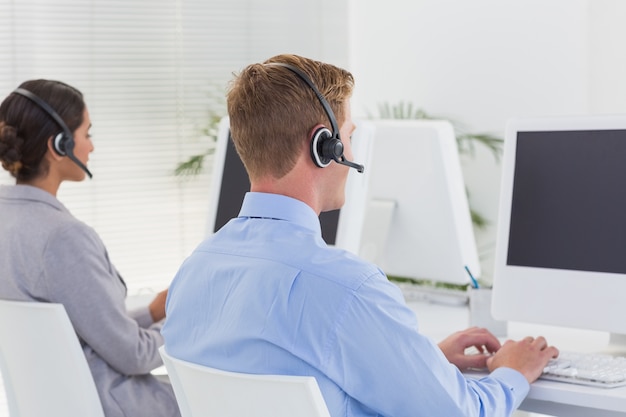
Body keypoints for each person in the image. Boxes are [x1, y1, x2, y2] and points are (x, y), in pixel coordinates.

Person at [161, 54, 559, 417]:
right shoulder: (347, 289)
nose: (351, 151)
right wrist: (513, 373)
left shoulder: (193, 273)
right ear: (324, 146)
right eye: (348, 135)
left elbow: (281, 380)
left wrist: (418, 364)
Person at [0, 79, 180, 417]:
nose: (91, 148)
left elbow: (81, 327)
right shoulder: (63, 238)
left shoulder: (8, 220)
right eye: (87, 134)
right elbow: (134, 356)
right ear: (60, 145)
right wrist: (187, 321)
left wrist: (152, 313)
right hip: (116, 404)